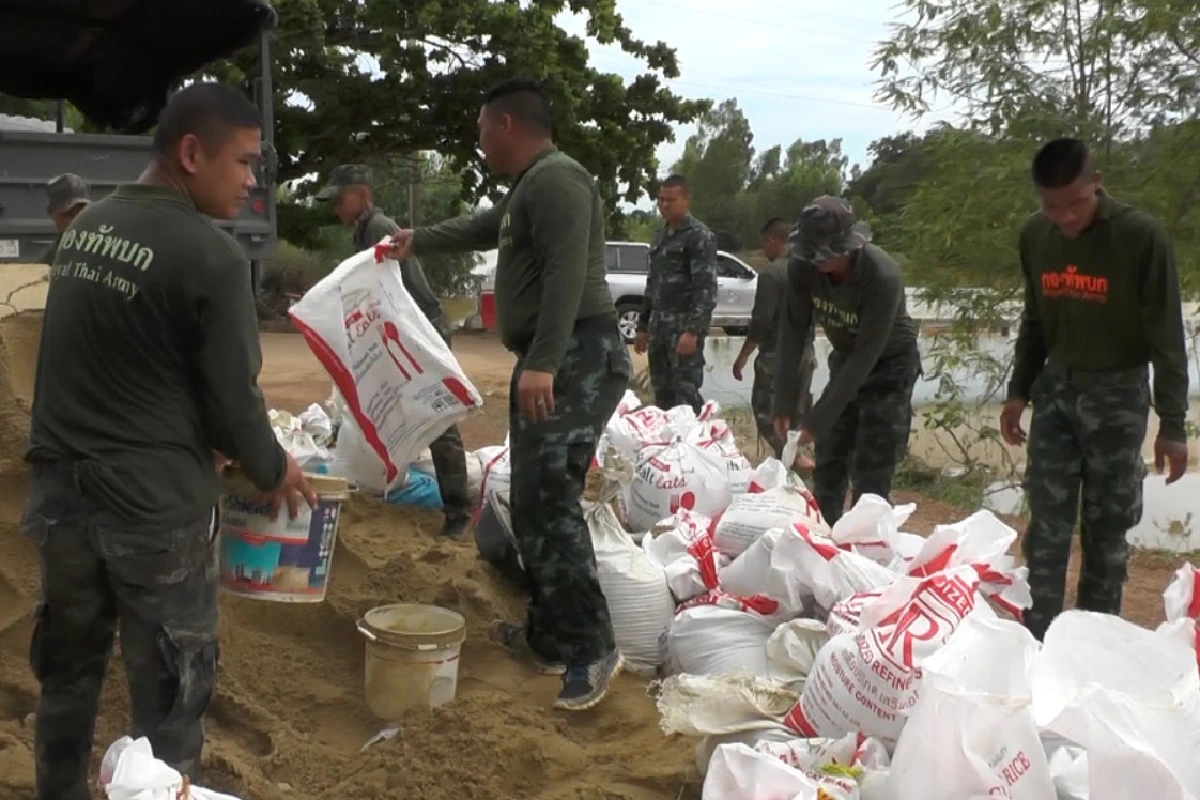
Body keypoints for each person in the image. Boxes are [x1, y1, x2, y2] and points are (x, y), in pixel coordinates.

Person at [22, 82, 315, 800]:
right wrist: (273, 466)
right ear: (191, 153)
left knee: (67, 681)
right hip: (153, 514)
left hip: (61, 503)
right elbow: (235, 404)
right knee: (170, 707)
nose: (251, 182)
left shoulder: (85, 230)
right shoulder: (210, 256)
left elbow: (121, 365)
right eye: (243, 162)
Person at [381, 78, 630, 711]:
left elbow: (567, 272)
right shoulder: (527, 188)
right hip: (551, 358)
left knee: (551, 501)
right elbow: (482, 225)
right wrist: (418, 240)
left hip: (575, 356)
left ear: (508, 125)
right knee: (531, 500)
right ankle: (549, 636)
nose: (479, 140)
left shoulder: (559, 179)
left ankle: (592, 647)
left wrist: (543, 362)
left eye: (482, 128)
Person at [1000, 137, 1189, 641]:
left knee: (1107, 531)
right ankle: (1036, 638)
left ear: (1097, 184)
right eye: (1051, 206)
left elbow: (1167, 337)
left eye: (1075, 204)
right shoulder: (1035, 236)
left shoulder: (1140, 237)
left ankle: (1092, 642)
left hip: (1118, 396)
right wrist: (1018, 390)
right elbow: (1034, 320)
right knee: (1047, 526)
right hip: (1057, 393)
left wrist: (1173, 425)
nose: (1064, 218)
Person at [315, 163, 473, 539]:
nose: (336, 208)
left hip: (420, 330)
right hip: (401, 332)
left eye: (340, 199)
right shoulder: (364, 230)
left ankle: (459, 512)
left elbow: (394, 289)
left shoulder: (378, 228)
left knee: (437, 418)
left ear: (362, 195)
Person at [772, 196, 920, 525]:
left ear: (849, 246)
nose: (819, 261)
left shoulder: (881, 276)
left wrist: (816, 420)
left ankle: (865, 539)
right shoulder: (802, 267)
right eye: (813, 253)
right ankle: (824, 533)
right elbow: (793, 332)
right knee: (829, 457)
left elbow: (867, 354)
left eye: (827, 254)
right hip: (846, 359)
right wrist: (783, 400)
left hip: (889, 365)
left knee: (872, 465)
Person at [732, 217, 817, 468]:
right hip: (806, 352)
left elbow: (761, 321)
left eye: (763, 245)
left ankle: (794, 459)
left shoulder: (772, 274)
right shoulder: (810, 270)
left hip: (775, 356)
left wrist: (743, 356)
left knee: (766, 411)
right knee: (797, 410)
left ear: (771, 241)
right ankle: (795, 458)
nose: (764, 251)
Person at [633, 174, 717, 413]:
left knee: (686, 393)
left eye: (671, 200)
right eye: (661, 199)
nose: (664, 205)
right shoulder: (660, 236)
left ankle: (694, 434)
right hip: (658, 328)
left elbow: (706, 289)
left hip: (683, 329)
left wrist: (692, 331)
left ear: (686, 200)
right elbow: (652, 284)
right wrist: (642, 326)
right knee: (662, 394)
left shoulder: (699, 236)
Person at [41, 173, 91, 263]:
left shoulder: (104, 246)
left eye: (81, 209)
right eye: (68, 213)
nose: (76, 218)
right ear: (53, 215)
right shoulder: (52, 255)